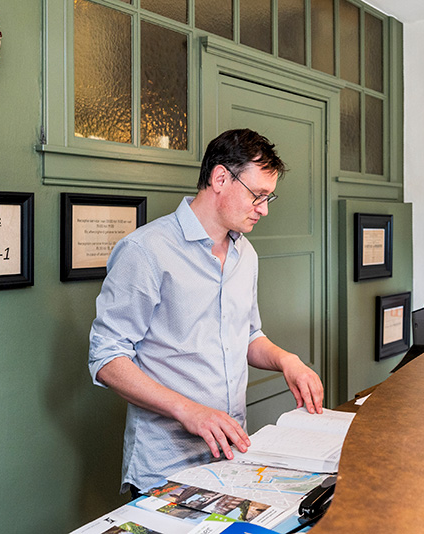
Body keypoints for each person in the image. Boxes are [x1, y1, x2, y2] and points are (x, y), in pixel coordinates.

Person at [88, 128, 324, 496]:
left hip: (231, 455)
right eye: (257, 195)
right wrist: (189, 410)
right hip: (164, 467)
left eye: (268, 197)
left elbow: (246, 335)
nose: (264, 209)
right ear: (219, 178)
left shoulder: (247, 255)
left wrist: (286, 360)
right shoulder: (145, 250)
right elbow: (106, 358)